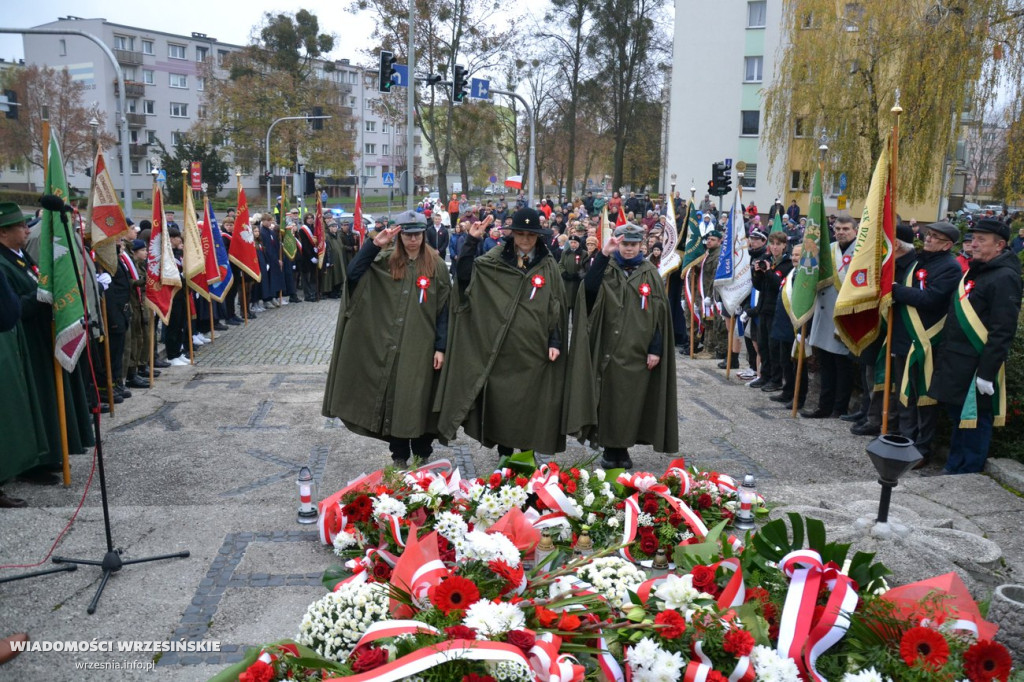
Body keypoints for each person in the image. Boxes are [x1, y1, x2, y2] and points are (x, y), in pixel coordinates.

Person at [437, 208, 568, 456]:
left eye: (531, 235)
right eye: (520, 234)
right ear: (512, 234)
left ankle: (527, 456)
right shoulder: (495, 259)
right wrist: (471, 242)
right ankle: (505, 456)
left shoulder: (548, 265)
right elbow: (465, 278)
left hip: (535, 351)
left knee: (530, 406)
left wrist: (555, 340)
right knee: (504, 406)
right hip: (501, 351)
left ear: (537, 236)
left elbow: (557, 307)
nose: (526, 240)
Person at [323, 211, 450, 465]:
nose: (412, 240)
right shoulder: (386, 261)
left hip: (421, 347)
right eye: (407, 235)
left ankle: (423, 455)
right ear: (400, 235)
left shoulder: (436, 265)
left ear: (423, 235)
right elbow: (354, 275)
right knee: (396, 401)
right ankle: (399, 457)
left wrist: (441, 347)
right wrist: (374, 244)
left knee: (420, 400)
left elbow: (444, 309)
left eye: (416, 234)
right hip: (391, 346)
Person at [566, 224, 677, 469]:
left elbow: (660, 315)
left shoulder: (650, 273)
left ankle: (623, 449)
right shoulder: (607, 268)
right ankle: (609, 449)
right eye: (624, 244)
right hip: (609, 350)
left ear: (641, 246)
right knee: (609, 402)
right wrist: (604, 254)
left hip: (638, 351)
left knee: (631, 403)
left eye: (633, 245)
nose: (628, 249)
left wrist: (656, 348)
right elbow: (590, 290)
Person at [0, 202, 94, 482]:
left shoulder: (20, 258)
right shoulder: (4, 263)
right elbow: (12, 308)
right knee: (35, 403)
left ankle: (50, 453)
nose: (25, 229)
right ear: (3, 233)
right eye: (19, 226)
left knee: (49, 400)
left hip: (41, 339)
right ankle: (34, 462)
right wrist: (43, 295)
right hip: (23, 344)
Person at [928, 218, 1022, 474]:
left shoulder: (1005, 277)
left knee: (975, 421)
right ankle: (954, 465)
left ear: (1000, 245)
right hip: (956, 361)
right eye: (972, 238)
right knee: (959, 418)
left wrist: (987, 373)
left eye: (982, 239)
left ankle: (967, 471)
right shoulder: (976, 269)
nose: (973, 243)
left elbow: (1002, 330)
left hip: (976, 365)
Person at [878, 221, 962, 466]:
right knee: (905, 393)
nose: (929, 239)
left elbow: (932, 299)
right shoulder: (918, 261)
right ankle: (905, 440)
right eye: (928, 234)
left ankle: (922, 449)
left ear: (947, 245)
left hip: (926, 341)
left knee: (923, 397)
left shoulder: (950, 267)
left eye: (936, 237)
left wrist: (895, 290)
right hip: (904, 337)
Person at [297, 212, 319, 302]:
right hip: (306, 257)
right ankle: (308, 295)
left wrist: (317, 250)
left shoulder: (314, 228)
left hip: (314, 255)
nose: (310, 219)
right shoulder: (303, 230)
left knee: (313, 276)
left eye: (311, 218)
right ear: (305, 220)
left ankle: (313, 293)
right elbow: (304, 245)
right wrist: (311, 256)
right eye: (308, 218)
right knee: (306, 277)